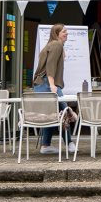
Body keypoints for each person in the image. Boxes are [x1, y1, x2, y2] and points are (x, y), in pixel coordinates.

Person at [32, 24, 75, 155]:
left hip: (41, 84)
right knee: (65, 112)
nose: (66, 33)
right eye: (64, 31)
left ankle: (46, 145)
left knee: (51, 115)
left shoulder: (51, 45)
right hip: (47, 84)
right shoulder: (56, 45)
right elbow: (50, 66)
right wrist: (52, 85)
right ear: (56, 34)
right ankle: (69, 143)